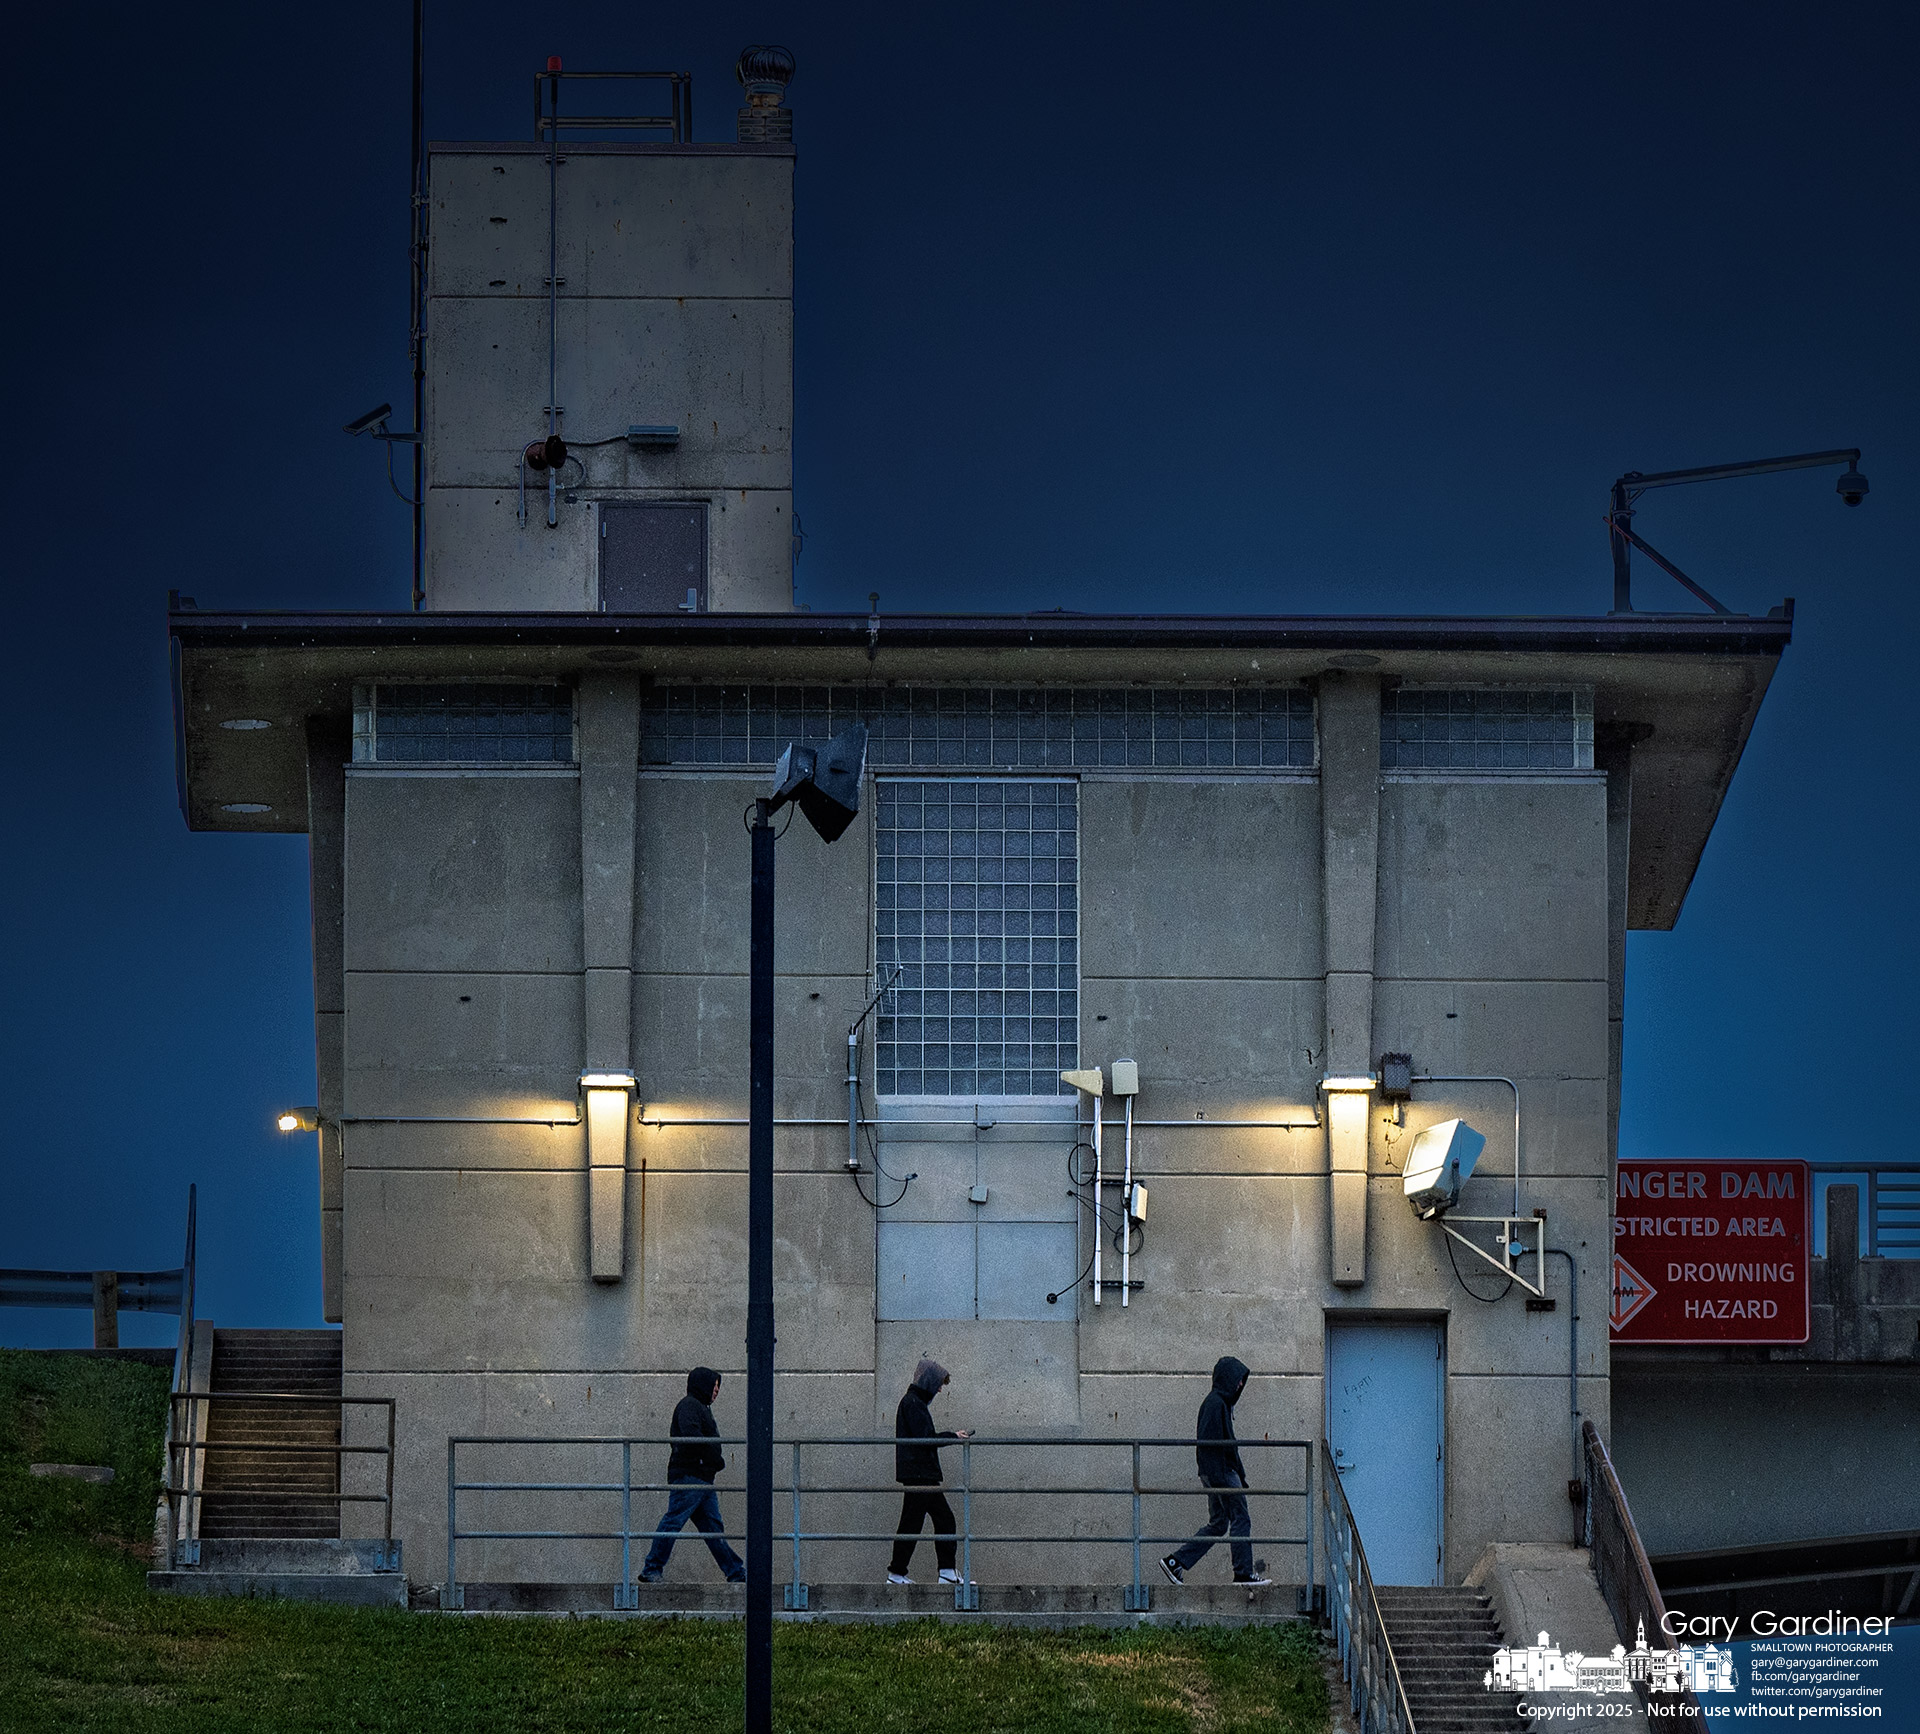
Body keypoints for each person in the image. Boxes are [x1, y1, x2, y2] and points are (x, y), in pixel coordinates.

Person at [1160, 1355, 1272, 1587]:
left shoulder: (1217, 1403)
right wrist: (1228, 1476)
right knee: (1240, 1518)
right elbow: (1213, 1445)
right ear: (1228, 1379)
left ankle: (1175, 1562)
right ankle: (1243, 1574)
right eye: (1238, 1379)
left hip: (1216, 1472)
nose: (1240, 1385)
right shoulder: (1216, 1403)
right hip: (1221, 1473)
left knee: (1220, 1523)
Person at [638, 1366, 746, 1584]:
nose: (716, 1391)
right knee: (674, 1521)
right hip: (691, 1475)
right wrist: (713, 1459)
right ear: (703, 1385)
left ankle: (736, 1572)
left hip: (701, 1478)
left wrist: (712, 1461)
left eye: (718, 1387)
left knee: (712, 1528)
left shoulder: (699, 1407)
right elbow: (691, 1436)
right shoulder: (690, 1406)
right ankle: (652, 1568)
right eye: (714, 1386)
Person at [886, 1358, 973, 1585]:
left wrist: (951, 1435)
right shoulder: (913, 1404)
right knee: (932, 1521)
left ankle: (903, 1573)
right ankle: (938, 1572)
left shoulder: (912, 1402)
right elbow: (925, 1438)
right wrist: (952, 1436)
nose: (939, 1389)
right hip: (920, 1475)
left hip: (919, 1474)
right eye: (938, 1383)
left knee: (920, 1522)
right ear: (928, 1381)